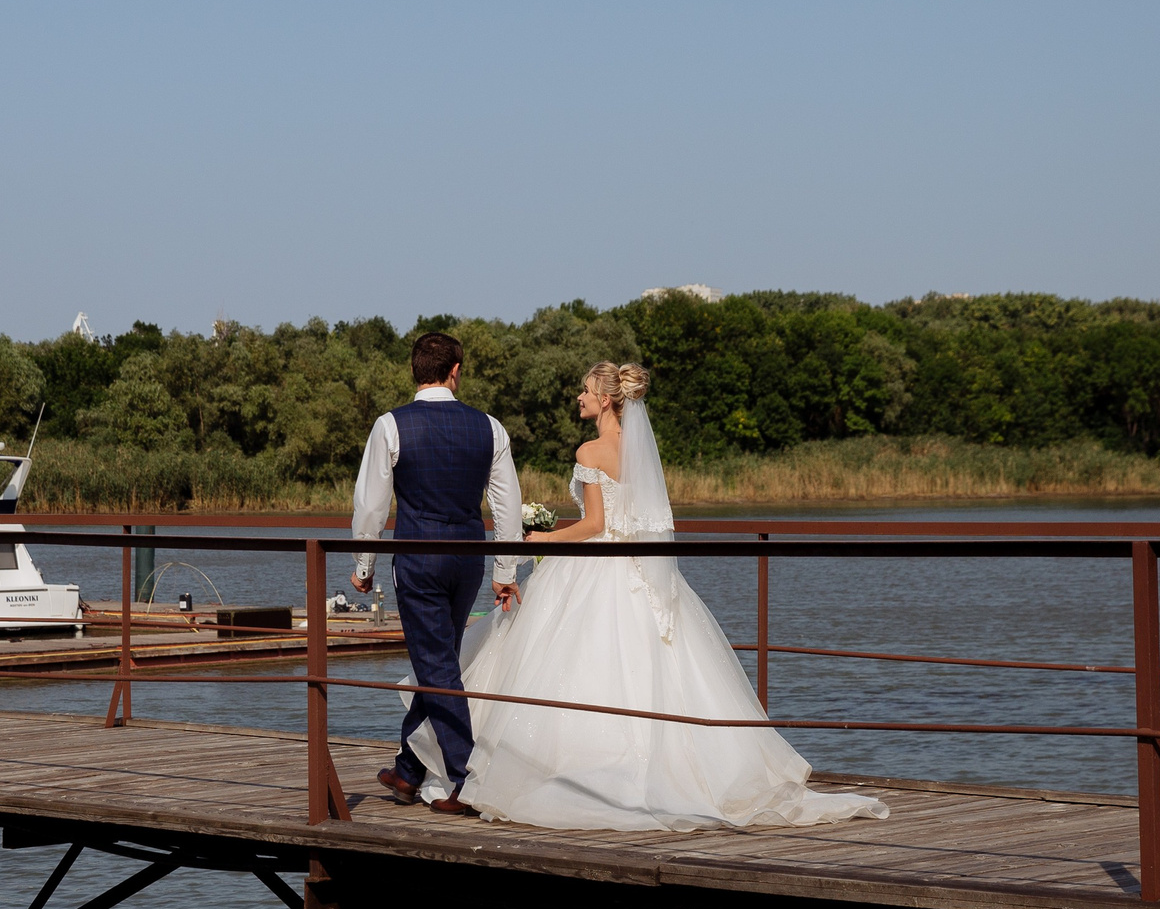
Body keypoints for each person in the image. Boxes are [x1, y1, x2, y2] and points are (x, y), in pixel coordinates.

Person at [448, 362, 887, 832]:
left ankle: (559, 771)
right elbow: (633, 521)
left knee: (563, 659)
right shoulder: (638, 452)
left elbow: (596, 526)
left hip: (594, 568)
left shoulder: (591, 451)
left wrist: (542, 541)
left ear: (606, 399)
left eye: (586, 389)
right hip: (635, 569)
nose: (579, 396)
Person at [350, 329, 525, 814]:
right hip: (467, 559)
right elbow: (507, 505)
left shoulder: (391, 425)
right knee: (440, 659)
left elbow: (371, 506)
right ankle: (407, 771)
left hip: (419, 559)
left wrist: (363, 564)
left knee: (438, 663)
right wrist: (505, 568)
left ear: (415, 372)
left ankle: (468, 781)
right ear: (455, 371)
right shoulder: (489, 427)